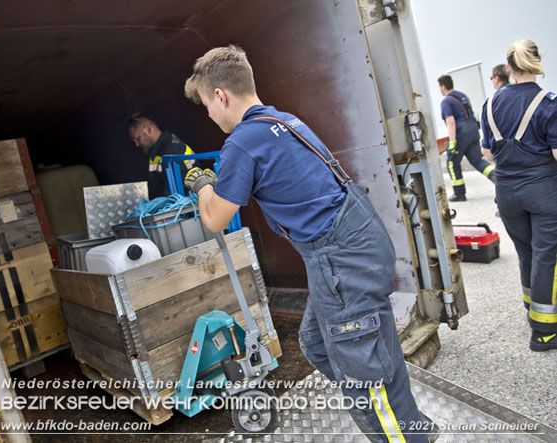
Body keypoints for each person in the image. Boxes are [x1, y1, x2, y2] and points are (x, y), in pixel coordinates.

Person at [183, 45, 436, 442]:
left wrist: (202, 184)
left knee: (364, 380)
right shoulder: (283, 120)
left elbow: (216, 218)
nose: (211, 115)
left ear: (221, 95)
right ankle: (399, 413)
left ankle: (393, 420)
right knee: (318, 343)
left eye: (206, 105)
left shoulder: (242, 143)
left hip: (340, 259)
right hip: (356, 242)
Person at [481, 39, 557, 352]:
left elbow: (487, 154)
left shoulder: (490, 104)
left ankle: (533, 312)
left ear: (509, 68)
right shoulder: (548, 102)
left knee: (527, 253)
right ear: (537, 61)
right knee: (547, 257)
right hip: (543, 193)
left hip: (507, 193)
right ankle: (545, 332)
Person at [438, 75, 496, 201]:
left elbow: (451, 122)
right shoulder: (462, 95)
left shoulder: (446, 101)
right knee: (478, 160)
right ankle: (497, 178)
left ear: (443, 86)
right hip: (473, 130)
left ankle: (459, 194)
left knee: (452, 163)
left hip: (461, 134)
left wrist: (452, 142)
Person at [128, 114, 196, 199]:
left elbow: (174, 195)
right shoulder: (157, 150)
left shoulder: (171, 151)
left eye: (138, 139)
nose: (137, 144)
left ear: (148, 129)